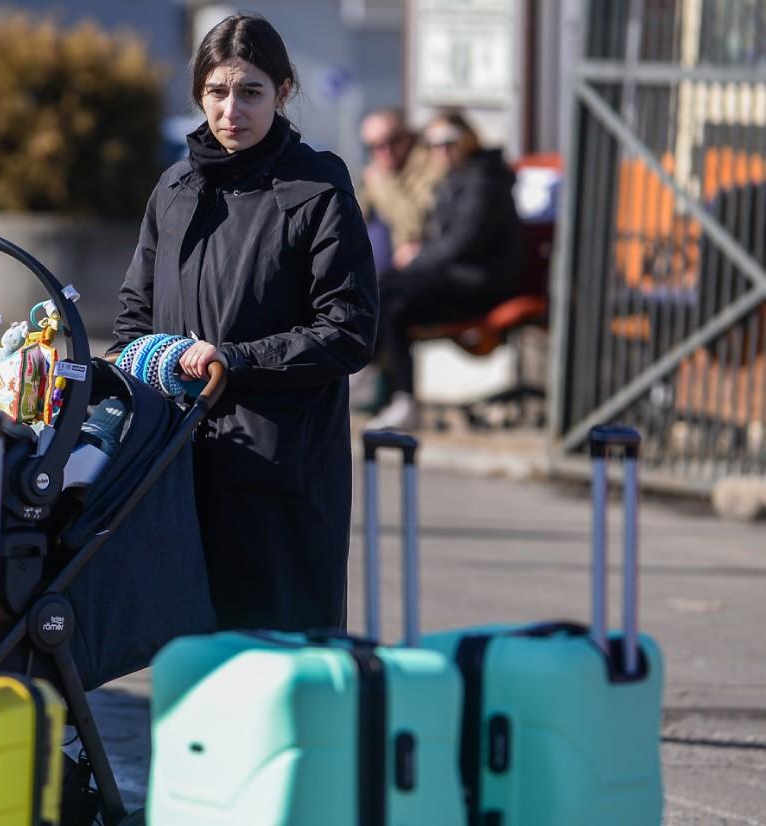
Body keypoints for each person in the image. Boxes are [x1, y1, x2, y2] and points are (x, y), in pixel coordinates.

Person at [110, 14, 379, 632]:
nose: (232, 110)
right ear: (199, 94)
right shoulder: (174, 188)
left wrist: (233, 360)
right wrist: (146, 369)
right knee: (192, 665)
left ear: (284, 92)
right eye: (217, 91)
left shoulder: (317, 188)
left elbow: (348, 328)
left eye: (251, 91)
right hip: (176, 468)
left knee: (279, 663)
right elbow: (133, 320)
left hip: (278, 474)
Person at [366, 111, 524, 430]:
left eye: (448, 141)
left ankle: (364, 370)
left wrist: (416, 258)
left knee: (389, 285)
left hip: (482, 283)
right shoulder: (455, 177)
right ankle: (403, 400)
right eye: (433, 144)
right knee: (395, 306)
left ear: (467, 138)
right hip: (455, 279)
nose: (440, 150)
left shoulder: (484, 179)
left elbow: (462, 244)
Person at [358, 107, 442, 272]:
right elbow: (355, 216)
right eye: (375, 146)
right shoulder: (377, 173)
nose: (385, 151)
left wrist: (383, 185)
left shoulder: (431, 165)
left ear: (409, 137)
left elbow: (416, 225)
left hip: (429, 258)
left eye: (393, 141)